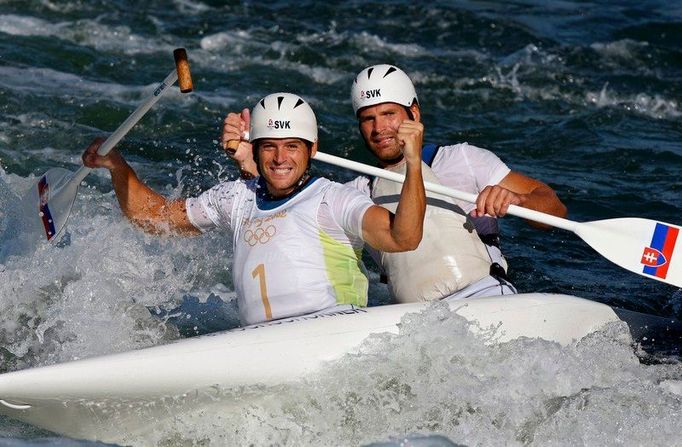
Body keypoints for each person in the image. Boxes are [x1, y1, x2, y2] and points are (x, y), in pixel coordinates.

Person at [83, 92, 426, 326]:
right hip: (258, 344)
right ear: (255, 148)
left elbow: (404, 237)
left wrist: (412, 163)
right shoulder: (235, 198)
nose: (280, 159)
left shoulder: (333, 199)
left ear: (312, 149)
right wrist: (117, 166)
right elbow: (153, 218)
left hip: (330, 331)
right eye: (269, 147)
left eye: (292, 146)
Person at [346, 64, 568, 303]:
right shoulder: (356, 193)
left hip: (487, 295)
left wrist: (519, 200)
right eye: (368, 119)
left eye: (389, 114)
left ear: (414, 113)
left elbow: (556, 211)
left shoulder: (464, 160)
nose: (379, 128)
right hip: (414, 319)